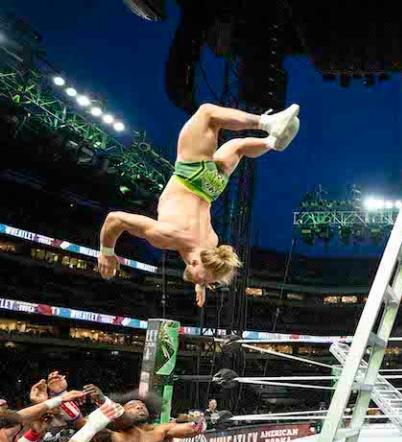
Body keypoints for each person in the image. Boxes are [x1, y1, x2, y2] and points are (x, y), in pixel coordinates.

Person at [97, 103, 301, 306]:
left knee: (237, 148)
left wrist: (201, 283)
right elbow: (115, 219)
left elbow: (195, 256)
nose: (201, 282)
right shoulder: (167, 236)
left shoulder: (211, 244)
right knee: (207, 114)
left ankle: (271, 142)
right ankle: (267, 123)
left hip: (212, 187)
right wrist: (107, 253)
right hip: (190, 177)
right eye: (203, 280)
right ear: (195, 263)